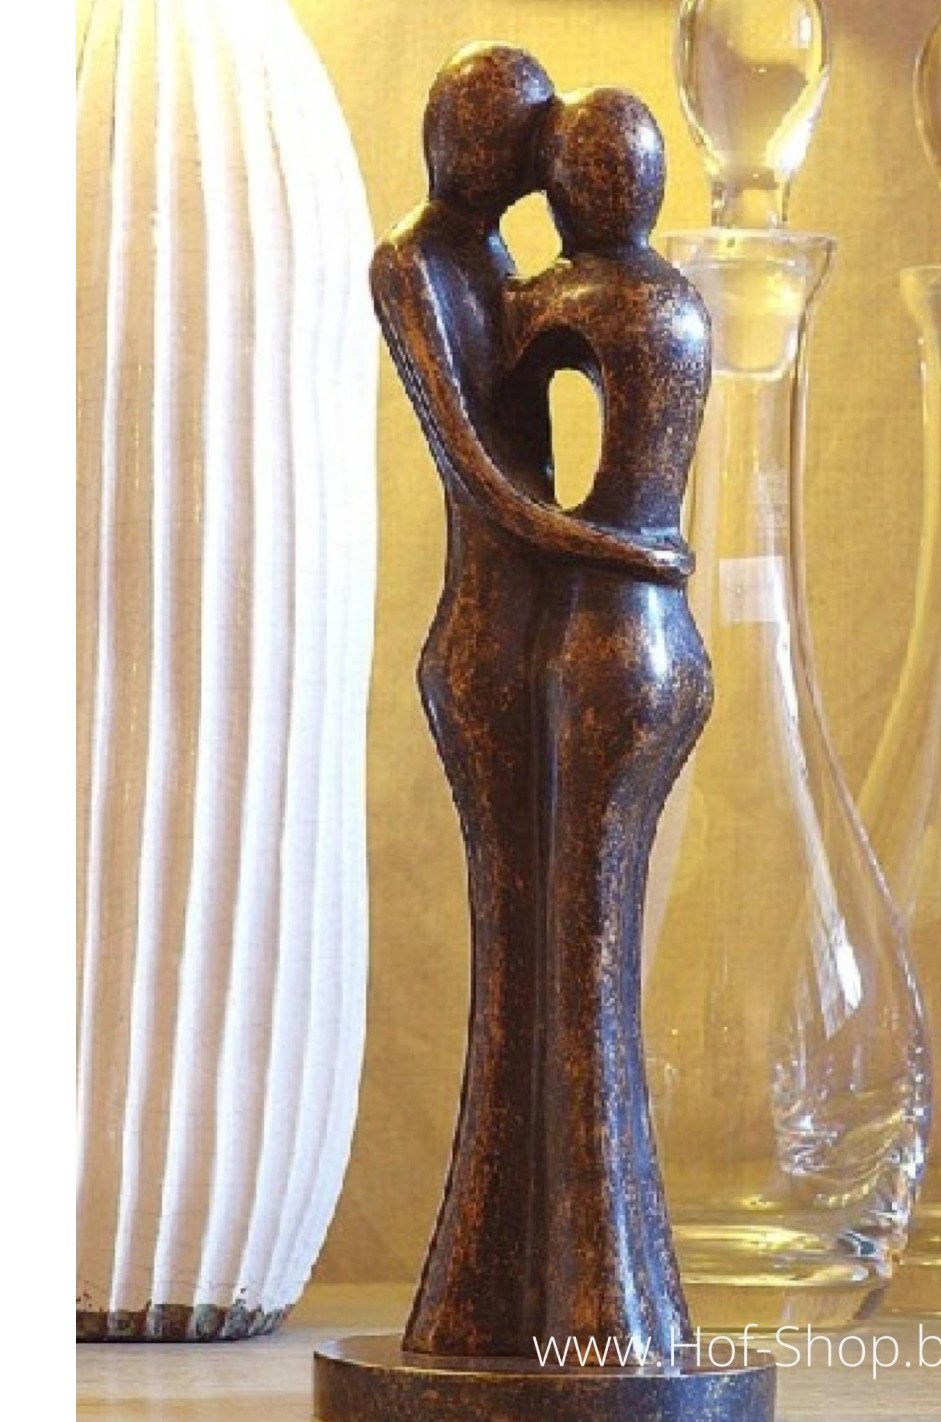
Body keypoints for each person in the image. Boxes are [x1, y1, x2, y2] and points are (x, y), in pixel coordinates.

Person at [370, 44, 687, 1359]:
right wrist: (622, 551)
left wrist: (610, 555)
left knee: (570, 965)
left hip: (555, 643)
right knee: (534, 967)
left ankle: (591, 1306)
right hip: (495, 645)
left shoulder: (533, 283)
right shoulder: (425, 267)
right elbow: (479, 469)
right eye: (512, 136)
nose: (523, 164)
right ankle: (512, 1298)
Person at [505, 87, 714, 1349]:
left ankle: (601, 1311)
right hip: (673, 644)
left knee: (580, 955)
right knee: (600, 946)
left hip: (599, 642)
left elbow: (494, 413)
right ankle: (632, 1298)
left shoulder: (560, 301)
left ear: (578, 186)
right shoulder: (679, 300)